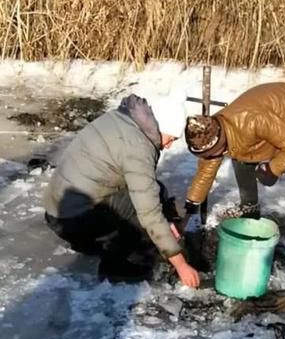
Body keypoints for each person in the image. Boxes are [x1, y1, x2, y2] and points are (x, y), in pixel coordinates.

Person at [43, 94, 200, 288]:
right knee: (145, 211)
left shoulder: (122, 119)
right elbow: (149, 212)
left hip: (59, 210)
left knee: (155, 191)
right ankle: (118, 267)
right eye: (171, 138)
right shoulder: (138, 147)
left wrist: (167, 222)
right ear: (161, 127)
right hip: (74, 219)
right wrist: (181, 264)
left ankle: (92, 242)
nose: (168, 145)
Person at [183, 82, 285, 271]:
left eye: (216, 151)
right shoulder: (210, 131)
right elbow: (207, 168)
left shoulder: (251, 120)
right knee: (241, 157)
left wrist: (272, 169)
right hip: (282, 125)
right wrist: (191, 204)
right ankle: (250, 210)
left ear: (221, 139)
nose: (214, 157)